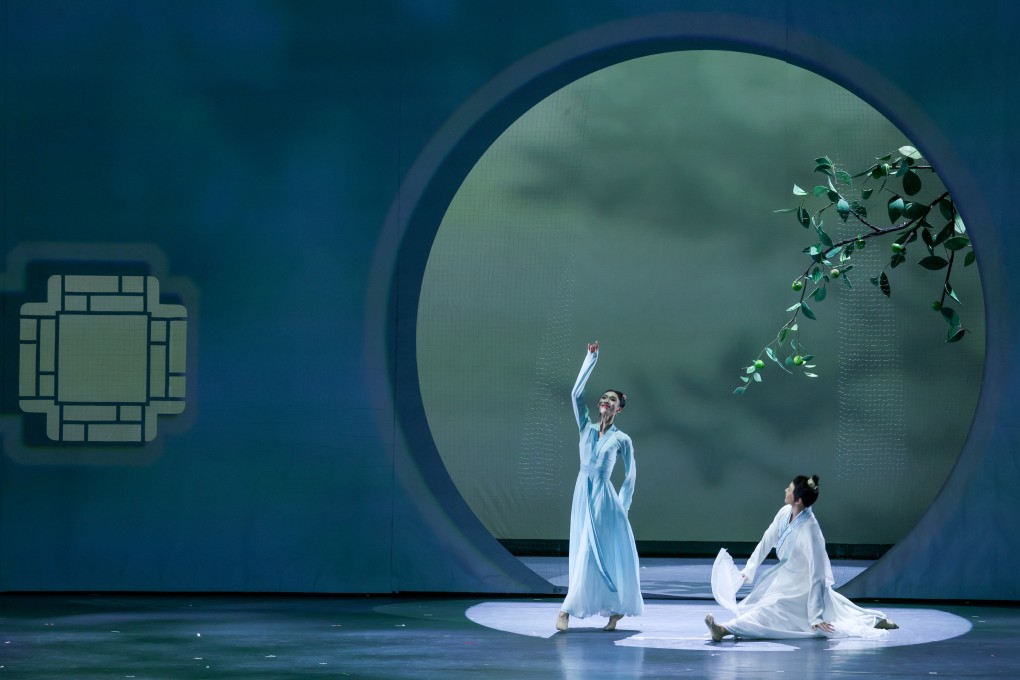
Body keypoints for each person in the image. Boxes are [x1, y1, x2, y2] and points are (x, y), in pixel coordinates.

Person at [705, 475, 898, 641]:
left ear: (798, 500)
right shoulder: (784, 513)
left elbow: (817, 574)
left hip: (803, 589)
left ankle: (724, 630)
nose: (785, 490)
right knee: (840, 609)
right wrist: (750, 568)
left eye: (789, 489)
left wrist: (815, 615)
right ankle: (875, 619)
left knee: (772, 611)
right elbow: (767, 539)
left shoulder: (810, 531)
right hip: (786, 580)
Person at [556, 341, 643, 632]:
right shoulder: (586, 427)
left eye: (612, 400)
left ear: (619, 409)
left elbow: (631, 475)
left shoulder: (622, 439)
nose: (606, 401)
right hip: (583, 491)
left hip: (605, 499)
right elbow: (575, 393)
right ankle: (575, 606)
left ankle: (572, 609)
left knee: (598, 551)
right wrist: (590, 359)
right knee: (582, 546)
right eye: (604, 398)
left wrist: (623, 506)